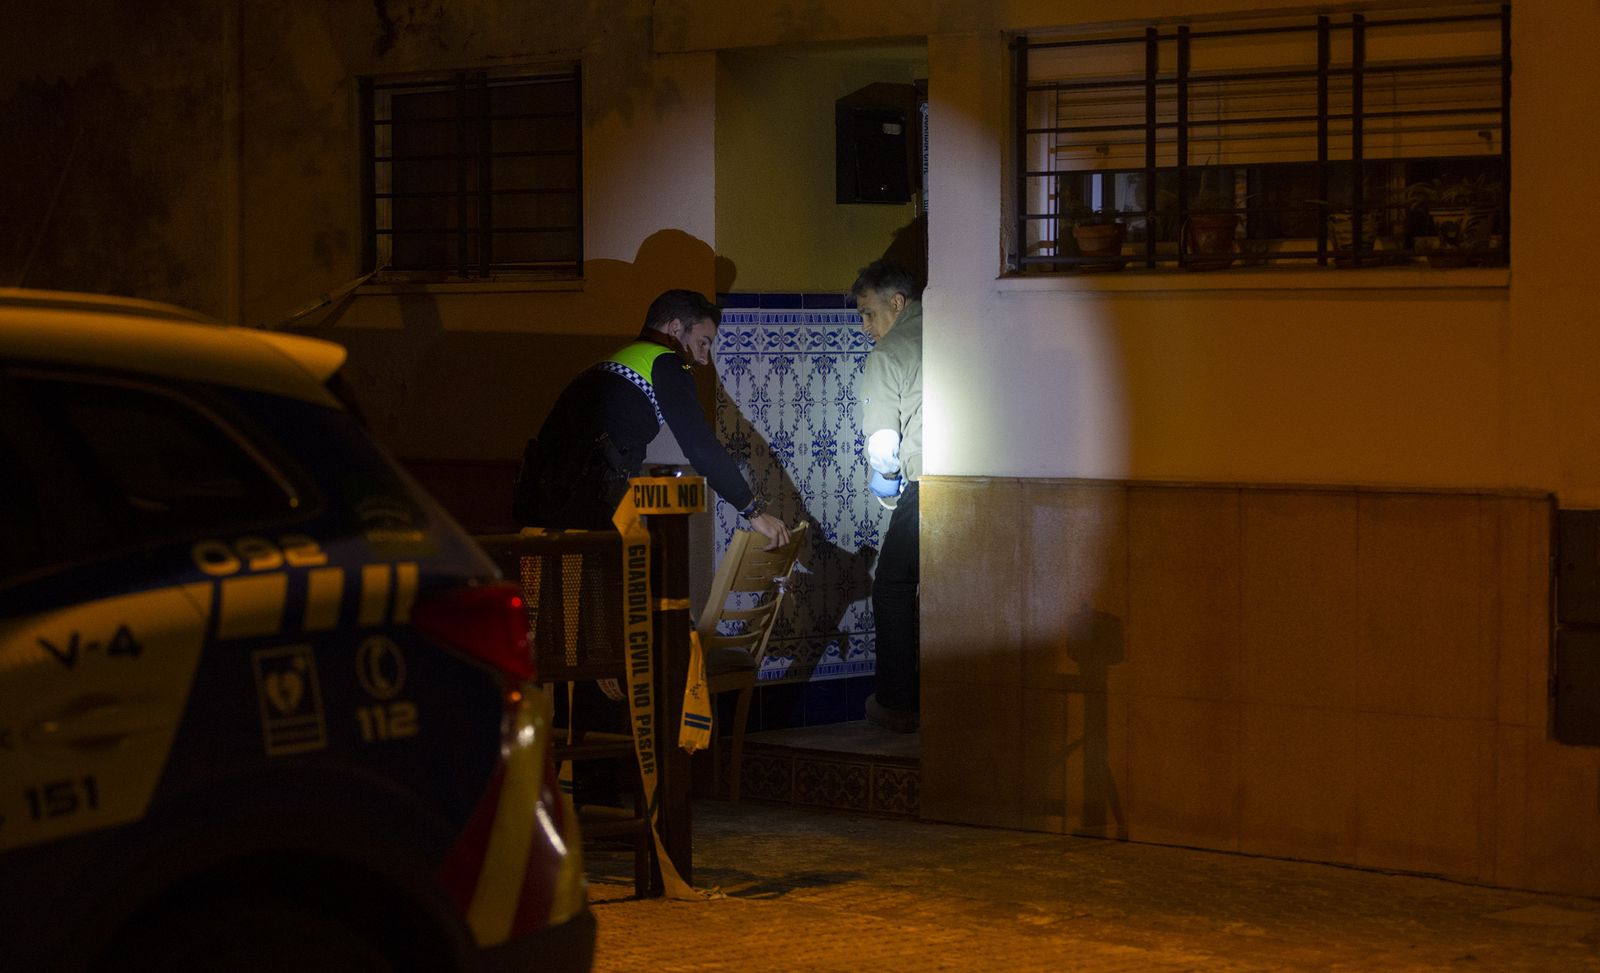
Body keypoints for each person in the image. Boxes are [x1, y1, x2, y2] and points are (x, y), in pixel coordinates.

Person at [514, 288, 790, 548]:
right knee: (605, 593)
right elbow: (699, 445)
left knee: (556, 597)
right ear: (675, 328)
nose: (705, 359)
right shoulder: (666, 361)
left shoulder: (613, 362)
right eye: (702, 343)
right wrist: (752, 511)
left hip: (541, 508)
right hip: (587, 512)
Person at [853, 259, 922, 733]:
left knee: (893, 586)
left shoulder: (889, 354)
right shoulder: (956, 328)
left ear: (897, 304)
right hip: (980, 479)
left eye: (868, 314)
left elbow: (882, 445)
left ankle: (896, 701)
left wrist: (885, 483)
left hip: (928, 486)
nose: (865, 327)